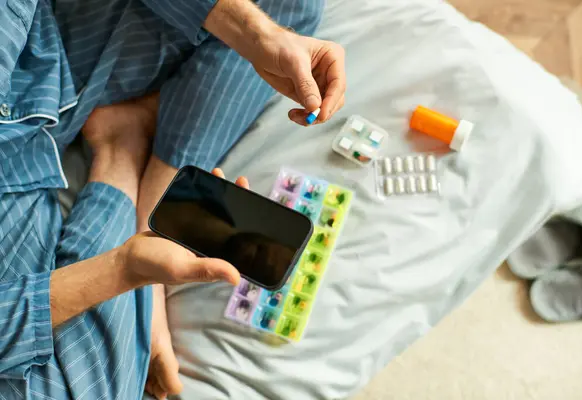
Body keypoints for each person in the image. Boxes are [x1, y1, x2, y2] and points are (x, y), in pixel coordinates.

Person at [0, 0, 346, 399]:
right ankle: (123, 152)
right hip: (30, 140)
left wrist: (254, 33)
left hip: (38, 65)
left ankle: (133, 163)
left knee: (286, 12)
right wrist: (123, 269)